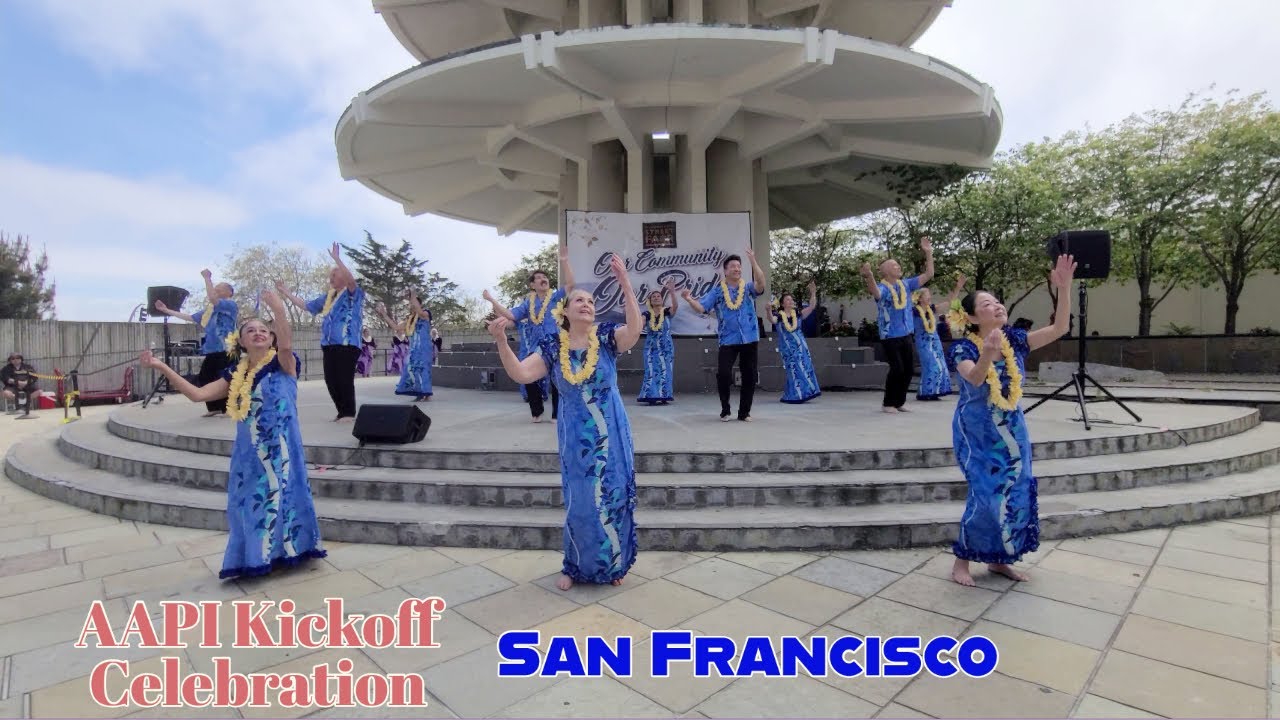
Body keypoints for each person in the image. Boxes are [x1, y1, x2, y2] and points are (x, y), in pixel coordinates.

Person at [139, 290, 326, 580]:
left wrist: (279, 310)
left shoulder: (285, 364)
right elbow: (198, 394)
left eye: (264, 330)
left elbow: (287, 344)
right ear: (240, 341)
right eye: (250, 330)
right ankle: (257, 556)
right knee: (253, 504)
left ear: (272, 338)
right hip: (249, 455)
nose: (258, 333)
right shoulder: (234, 374)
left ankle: (289, 551)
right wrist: (160, 366)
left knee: (286, 499)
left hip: (283, 450)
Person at [485, 253, 640, 590]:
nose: (586, 304)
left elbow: (634, 330)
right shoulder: (553, 346)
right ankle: (575, 566)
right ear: (565, 311)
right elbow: (522, 373)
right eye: (579, 300)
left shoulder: (607, 337)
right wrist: (502, 342)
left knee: (613, 494)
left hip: (612, 429)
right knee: (581, 499)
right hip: (576, 435)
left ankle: (613, 564)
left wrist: (626, 284)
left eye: (591, 301)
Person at [947, 253, 1076, 586]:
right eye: (987, 304)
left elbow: (1060, 328)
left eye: (997, 301)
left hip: (1013, 427)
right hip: (977, 432)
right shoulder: (963, 348)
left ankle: (1001, 558)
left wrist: (1064, 289)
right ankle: (962, 560)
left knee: (1017, 489)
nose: (997, 306)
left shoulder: (1015, 340)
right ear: (971, 317)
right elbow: (975, 378)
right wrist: (987, 354)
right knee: (986, 492)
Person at [483, 244, 575, 423]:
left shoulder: (555, 297)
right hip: (535, 346)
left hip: (556, 343)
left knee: (558, 377)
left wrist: (564, 261)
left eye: (544, 277)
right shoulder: (528, 303)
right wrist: (491, 299)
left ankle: (557, 414)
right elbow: (510, 315)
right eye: (538, 278)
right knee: (528, 377)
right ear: (532, 285)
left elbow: (571, 284)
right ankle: (536, 411)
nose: (543, 279)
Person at [276, 243, 364, 422]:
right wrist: (286, 292)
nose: (331, 278)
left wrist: (337, 259)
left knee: (344, 378)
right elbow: (306, 305)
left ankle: (348, 412)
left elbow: (351, 281)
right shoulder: (328, 297)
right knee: (331, 379)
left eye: (334, 275)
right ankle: (341, 412)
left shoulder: (353, 293)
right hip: (328, 344)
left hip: (347, 343)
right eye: (330, 276)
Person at [680, 249, 767, 422]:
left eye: (739, 266)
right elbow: (702, 308)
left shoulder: (748, 288)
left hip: (749, 337)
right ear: (725, 271)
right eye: (733, 266)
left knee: (749, 375)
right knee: (724, 374)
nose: (737, 269)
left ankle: (744, 412)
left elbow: (761, 282)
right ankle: (725, 410)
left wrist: (753, 261)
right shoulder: (718, 291)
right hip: (728, 339)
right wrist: (689, 299)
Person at [860, 236, 935, 413]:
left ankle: (899, 402)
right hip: (890, 335)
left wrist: (928, 253)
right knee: (897, 368)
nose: (898, 267)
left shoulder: (906, 285)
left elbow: (929, 274)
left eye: (898, 265)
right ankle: (888, 403)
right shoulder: (884, 288)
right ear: (885, 272)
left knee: (908, 369)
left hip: (906, 333)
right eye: (894, 266)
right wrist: (869, 276)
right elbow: (876, 293)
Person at [153, 270, 239, 417]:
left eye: (219, 289)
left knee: (226, 378)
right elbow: (191, 317)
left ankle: (230, 407)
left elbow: (213, 298)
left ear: (229, 292)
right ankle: (214, 407)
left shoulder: (230, 305)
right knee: (206, 377)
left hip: (228, 348)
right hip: (212, 350)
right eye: (215, 288)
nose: (215, 290)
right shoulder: (209, 310)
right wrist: (166, 310)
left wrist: (207, 278)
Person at [912, 273, 966, 401]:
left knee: (940, 365)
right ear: (920, 298)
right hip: (923, 341)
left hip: (935, 340)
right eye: (927, 295)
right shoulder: (913, 311)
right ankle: (925, 392)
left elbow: (949, 302)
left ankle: (936, 391)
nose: (930, 296)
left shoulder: (931, 309)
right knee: (931, 364)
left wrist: (958, 287)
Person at [376, 291, 433, 402]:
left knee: (423, 369)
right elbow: (396, 327)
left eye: (413, 304)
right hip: (413, 349)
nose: (412, 306)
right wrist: (384, 314)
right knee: (412, 369)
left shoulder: (425, 314)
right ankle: (419, 392)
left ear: (419, 304)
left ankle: (426, 393)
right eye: (411, 305)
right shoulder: (409, 320)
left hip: (424, 348)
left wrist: (413, 296)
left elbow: (420, 313)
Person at [770, 280, 821, 404]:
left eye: (791, 299)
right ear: (782, 303)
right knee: (793, 369)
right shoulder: (779, 316)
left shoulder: (798, 314)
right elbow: (771, 320)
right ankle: (794, 394)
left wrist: (813, 293)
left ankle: (806, 392)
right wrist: (767, 310)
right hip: (787, 348)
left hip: (800, 346)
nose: (790, 301)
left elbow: (811, 306)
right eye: (787, 299)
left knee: (805, 367)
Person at [637, 278, 677, 405]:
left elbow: (675, 307)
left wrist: (672, 291)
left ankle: (664, 395)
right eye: (653, 297)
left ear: (662, 299)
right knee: (651, 370)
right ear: (650, 301)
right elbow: (640, 324)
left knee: (666, 370)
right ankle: (651, 396)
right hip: (651, 347)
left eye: (658, 296)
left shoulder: (667, 311)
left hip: (666, 347)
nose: (656, 298)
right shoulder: (646, 314)